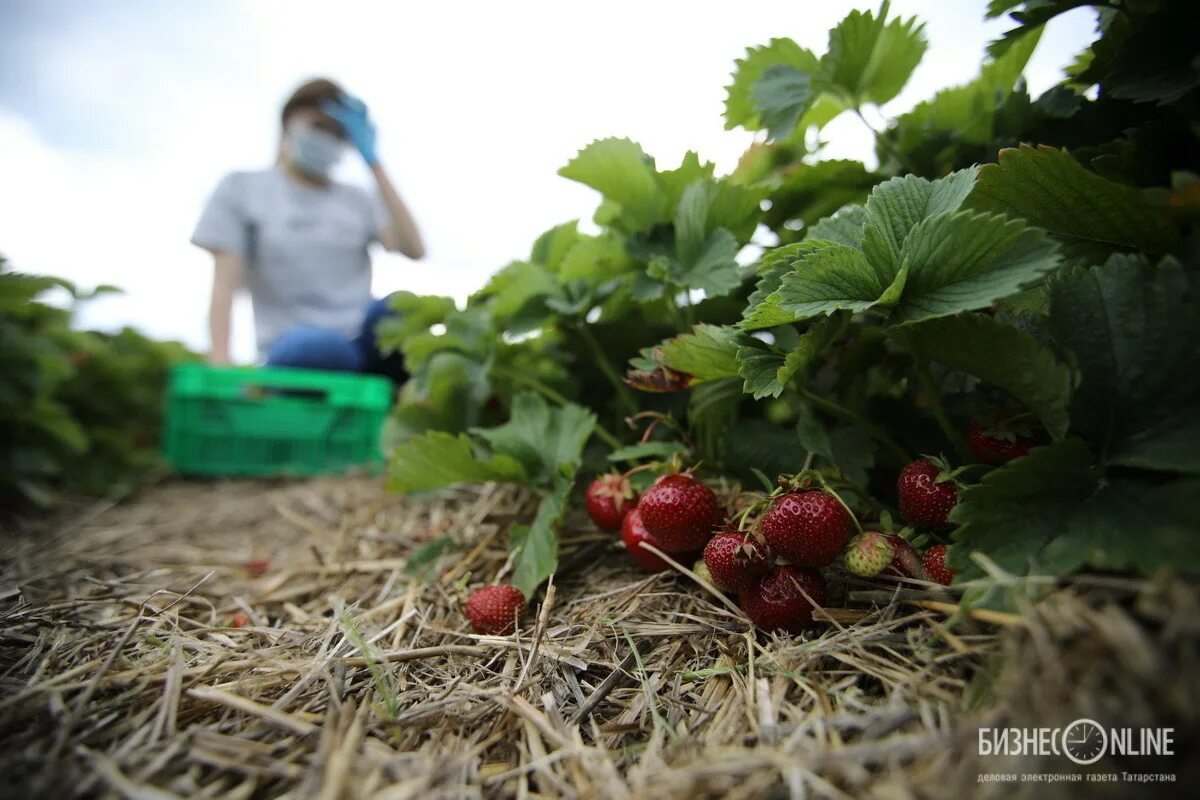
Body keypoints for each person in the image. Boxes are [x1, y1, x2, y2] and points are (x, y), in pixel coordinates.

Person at [191, 78, 424, 380]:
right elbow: (225, 286)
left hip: (360, 338)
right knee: (322, 349)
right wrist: (220, 367)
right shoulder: (244, 189)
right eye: (318, 126)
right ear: (288, 122)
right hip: (297, 348)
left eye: (337, 132)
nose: (327, 137)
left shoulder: (358, 200)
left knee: (401, 308)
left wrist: (374, 163)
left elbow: (414, 249)